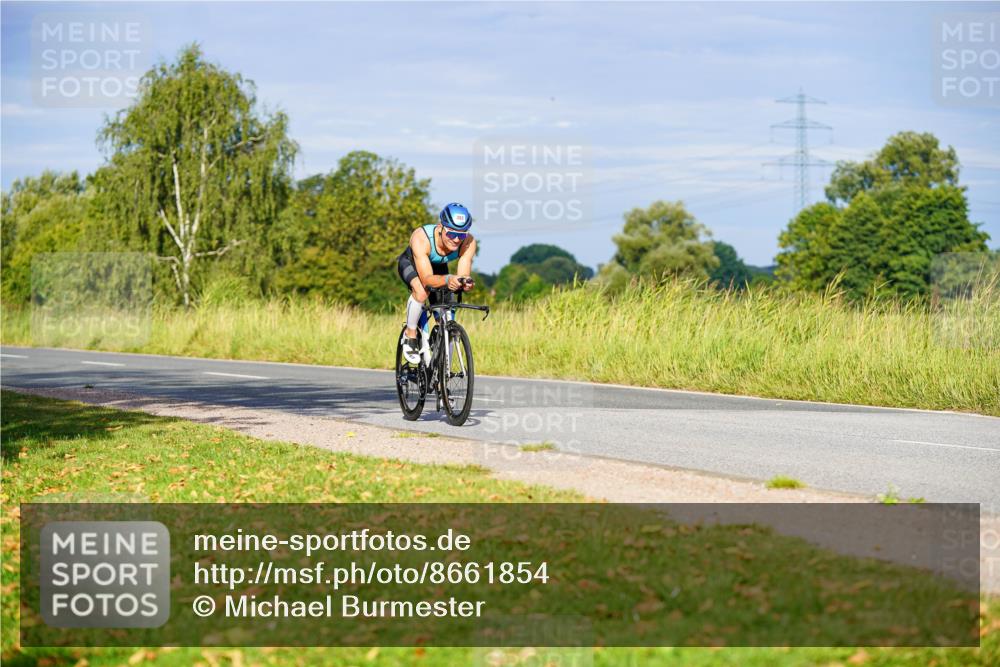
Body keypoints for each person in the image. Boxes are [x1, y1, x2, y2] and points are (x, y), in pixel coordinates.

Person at [396, 203, 476, 363]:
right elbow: (426, 279)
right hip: (412, 263)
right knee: (421, 291)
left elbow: (463, 274)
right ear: (441, 227)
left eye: (461, 235)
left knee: (447, 312)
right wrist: (448, 279)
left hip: (439, 268)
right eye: (451, 233)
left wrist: (464, 282)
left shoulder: (469, 242)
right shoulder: (421, 238)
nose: (455, 240)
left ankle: (441, 368)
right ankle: (410, 334)